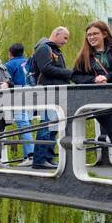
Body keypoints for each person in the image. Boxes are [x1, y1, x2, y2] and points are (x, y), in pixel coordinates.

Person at [71, 21, 112, 179]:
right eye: (89, 35)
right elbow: (75, 76)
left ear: (104, 34)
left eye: (95, 34)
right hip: (98, 99)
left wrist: (108, 77)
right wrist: (94, 80)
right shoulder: (85, 55)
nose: (92, 37)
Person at [29, 27, 75, 170]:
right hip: (48, 92)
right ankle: (40, 159)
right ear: (56, 34)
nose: (66, 42)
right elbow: (46, 69)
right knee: (47, 125)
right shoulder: (44, 49)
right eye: (65, 38)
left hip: (55, 92)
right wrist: (69, 73)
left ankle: (47, 158)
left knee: (53, 126)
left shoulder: (54, 50)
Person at [4, 42, 36, 164]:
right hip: (32, 93)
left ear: (10, 53)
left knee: (22, 123)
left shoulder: (9, 65)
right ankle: (27, 157)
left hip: (18, 94)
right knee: (28, 123)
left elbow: (8, 81)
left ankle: (30, 156)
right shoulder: (29, 62)